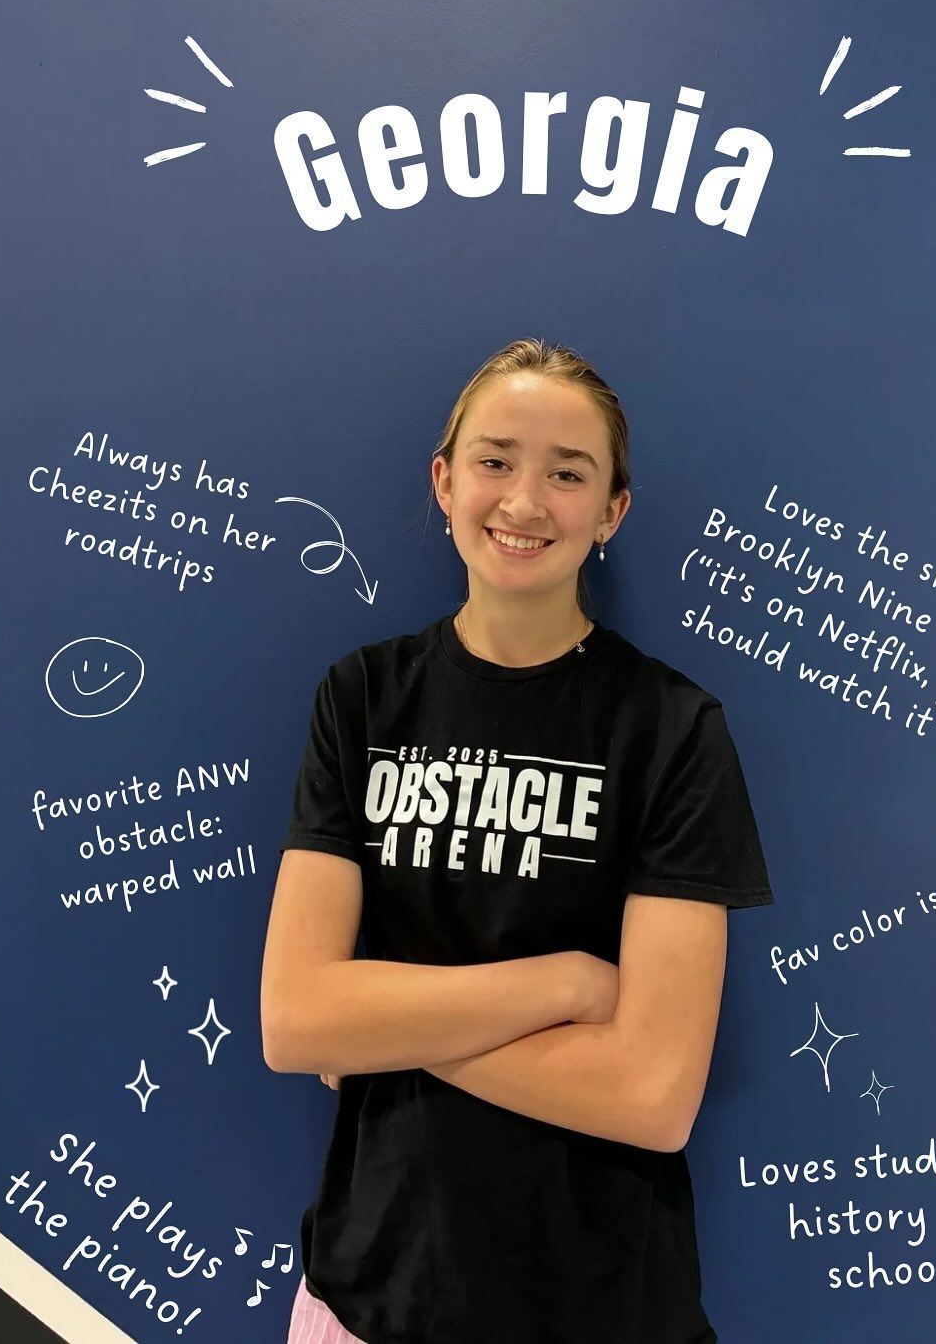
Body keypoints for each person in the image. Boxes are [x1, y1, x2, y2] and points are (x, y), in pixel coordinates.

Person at [262, 337, 775, 1344]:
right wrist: (572, 986)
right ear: (445, 480)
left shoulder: (671, 728)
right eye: (495, 460)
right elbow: (294, 1021)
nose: (525, 501)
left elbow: (653, 1095)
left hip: (599, 1307)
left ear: (612, 510)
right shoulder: (363, 698)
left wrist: (387, 1028)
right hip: (366, 1296)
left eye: (567, 473)